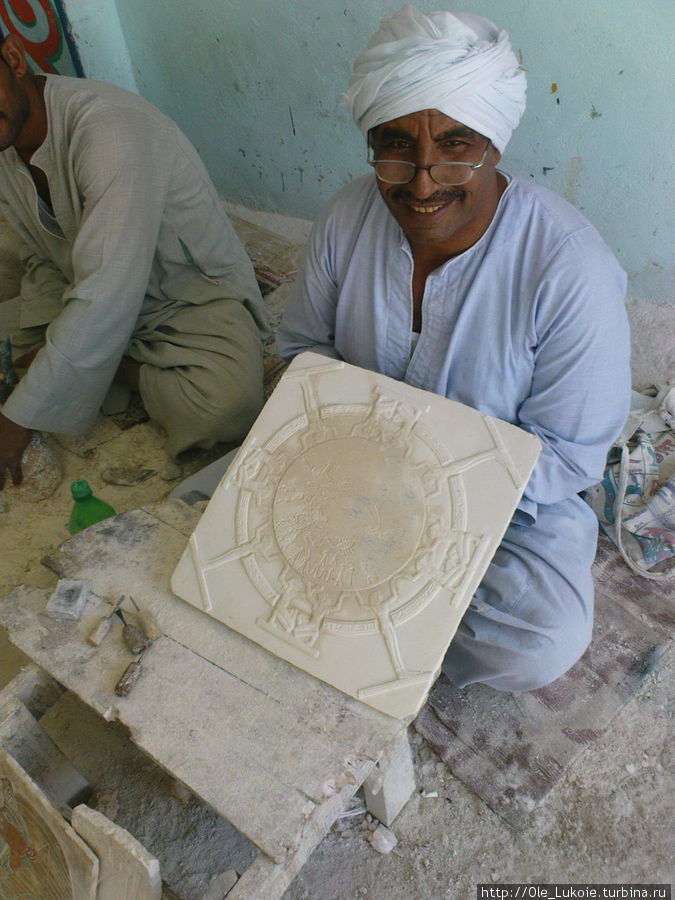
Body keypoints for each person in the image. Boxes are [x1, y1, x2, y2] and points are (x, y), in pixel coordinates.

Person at [277, 5, 631, 691]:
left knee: (538, 635)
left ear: (494, 144)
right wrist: (344, 474)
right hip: (343, 469)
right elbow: (301, 354)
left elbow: (566, 456)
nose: (421, 179)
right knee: (209, 516)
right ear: (371, 142)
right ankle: (368, 619)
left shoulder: (569, 268)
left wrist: (417, 498)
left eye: (456, 144)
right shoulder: (344, 217)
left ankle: (351, 620)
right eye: (395, 144)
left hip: (495, 511)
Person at [0, 31, 269, 489]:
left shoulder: (109, 131)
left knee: (226, 402)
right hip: (82, 289)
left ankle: (113, 369)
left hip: (182, 300)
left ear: (13, 58)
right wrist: (44, 334)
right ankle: (83, 364)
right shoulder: (6, 146)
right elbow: (41, 253)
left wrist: (19, 418)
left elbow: (107, 292)